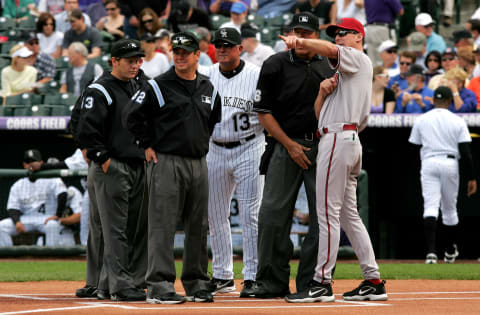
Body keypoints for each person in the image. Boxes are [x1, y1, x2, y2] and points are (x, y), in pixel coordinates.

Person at [279, 17, 387, 303]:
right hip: (341, 137)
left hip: (340, 138)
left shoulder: (358, 59)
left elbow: (327, 49)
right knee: (349, 216)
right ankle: (373, 280)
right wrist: (321, 92)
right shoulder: (344, 74)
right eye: (336, 34)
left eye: (344, 33)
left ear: (359, 38)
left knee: (327, 212)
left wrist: (300, 42)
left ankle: (321, 282)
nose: (338, 37)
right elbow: (318, 116)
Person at [125, 31, 221, 304]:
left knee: (198, 225)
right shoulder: (158, 85)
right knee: (162, 224)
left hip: (199, 162)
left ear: (197, 55)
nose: (179, 56)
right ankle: (159, 284)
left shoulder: (208, 88)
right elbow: (130, 116)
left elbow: (212, 121)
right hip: (166, 161)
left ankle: (197, 282)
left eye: (184, 52)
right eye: (175, 51)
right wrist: (145, 144)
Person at [251, 12, 335, 299]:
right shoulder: (275, 63)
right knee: (273, 214)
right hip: (284, 144)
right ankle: (271, 281)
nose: (299, 38)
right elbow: (263, 111)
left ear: (317, 37)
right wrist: (290, 145)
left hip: (323, 145)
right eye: (295, 32)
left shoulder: (330, 64)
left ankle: (313, 282)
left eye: (306, 33)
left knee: (322, 218)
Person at [75, 39, 148, 301]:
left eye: (138, 60)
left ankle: (110, 283)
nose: (135, 65)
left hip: (138, 163)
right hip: (113, 164)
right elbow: (80, 122)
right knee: (112, 229)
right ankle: (118, 284)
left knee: (133, 227)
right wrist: (98, 155)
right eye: (130, 60)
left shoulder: (141, 82)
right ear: (114, 61)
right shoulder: (100, 89)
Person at [196, 27, 264, 298]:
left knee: (250, 215)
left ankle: (252, 276)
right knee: (215, 216)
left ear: (240, 48)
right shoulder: (206, 76)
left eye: (228, 45)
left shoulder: (256, 75)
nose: (222, 49)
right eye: (219, 45)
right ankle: (223, 275)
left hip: (250, 145)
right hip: (215, 148)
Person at [408, 86, 477, 264]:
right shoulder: (457, 120)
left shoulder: (422, 119)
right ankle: (449, 249)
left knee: (430, 206)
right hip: (450, 162)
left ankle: (431, 252)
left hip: (429, 161)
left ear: (433, 100)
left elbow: (413, 147)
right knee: (450, 208)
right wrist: (472, 177)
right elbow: (466, 153)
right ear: (449, 101)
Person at [0, 149, 74, 247]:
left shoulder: (51, 177)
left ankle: (51, 258)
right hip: (26, 218)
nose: (31, 164)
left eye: (34, 161)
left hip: (46, 218)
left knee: (53, 225)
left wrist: (57, 215)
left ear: (41, 163)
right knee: (1, 226)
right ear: (24, 165)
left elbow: (63, 194)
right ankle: (9, 258)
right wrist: (17, 222)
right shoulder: (18, 184)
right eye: (28, 162)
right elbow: (12, 207)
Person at [364, 0, 403, 66]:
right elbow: (400, 11)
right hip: (382, 29)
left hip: (369, 29)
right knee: (385, 62)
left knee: (373, 62)